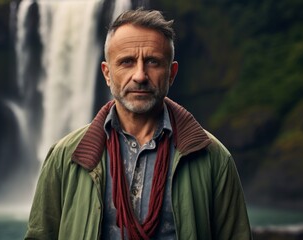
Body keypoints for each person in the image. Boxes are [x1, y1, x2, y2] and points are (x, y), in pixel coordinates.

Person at [24, 9, 252, 240]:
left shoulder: (213, 158)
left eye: (153, 62)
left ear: (171, 73)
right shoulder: (65, 157)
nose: (140, 75)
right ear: (107, 73)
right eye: (127, 62)